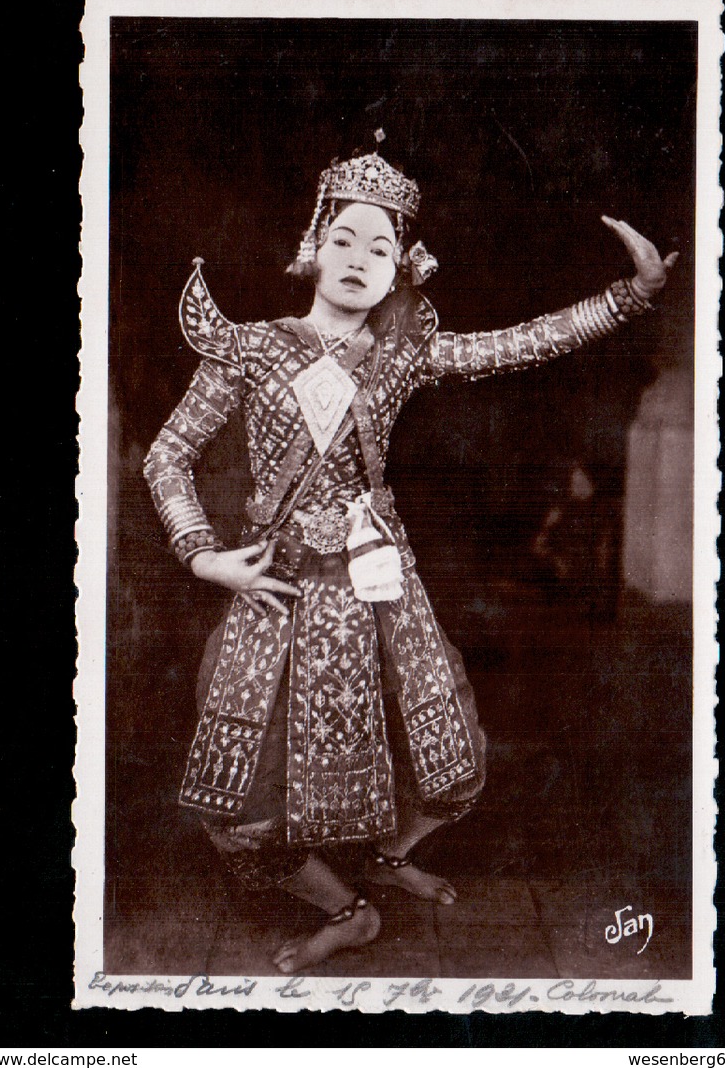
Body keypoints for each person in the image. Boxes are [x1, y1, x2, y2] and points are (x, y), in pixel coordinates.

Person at [144, 140, 677, 973]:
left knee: (449, 758)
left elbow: (516, 343)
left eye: (381, 247)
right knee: (237, 798)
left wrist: (630, 295)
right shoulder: (246, 349)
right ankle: (347, 911)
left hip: (378, 579)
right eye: (346, 239)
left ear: (402, 269)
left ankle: (391, 860)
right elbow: (167, 456)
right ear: (312, 245)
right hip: (275, 587)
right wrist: (203, 555)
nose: (360, 260)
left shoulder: (401, 355)